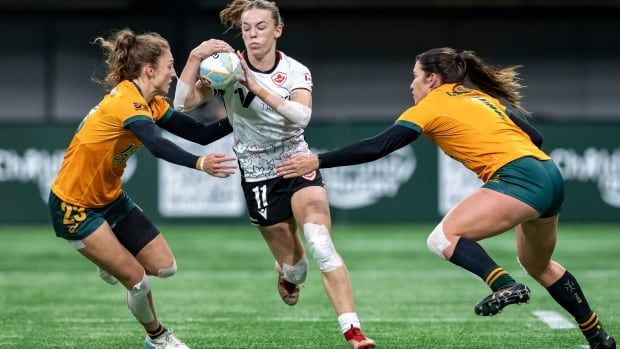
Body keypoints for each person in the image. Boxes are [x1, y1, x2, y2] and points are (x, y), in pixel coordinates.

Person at [276, 47, 616, 349]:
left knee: (442, 237)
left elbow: (379, 146)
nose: (412, 85)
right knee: (539, 265)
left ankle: (505, 284)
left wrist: (318, 159)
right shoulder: (481, 98)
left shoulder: (431, 106)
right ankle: (598, 336)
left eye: (415, 77)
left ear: (433, 79)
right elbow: (536, 136)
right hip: (550, 174)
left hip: (520, 178)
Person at [173, 1, 375, 348]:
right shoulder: (225, 68)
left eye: (261, 27)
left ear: (277, 30)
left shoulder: (295, 71)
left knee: (321, 244)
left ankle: (353, 332)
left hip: (295, 161)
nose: (252, 35)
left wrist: (253, 84)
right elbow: (181, 103)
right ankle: (287, 274)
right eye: (247, 28)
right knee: (297, 268)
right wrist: (194, 59)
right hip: (256, 173)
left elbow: (301, 117)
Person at [48, 28, 237, 349]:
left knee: (166, 268)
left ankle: (107, 259)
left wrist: (245, 113)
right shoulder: (125, 100)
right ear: (150, 69)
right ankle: (158, 338)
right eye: (170, 65)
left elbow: (202, 134)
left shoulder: (152, 103)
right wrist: (199, 164)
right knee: (138, 281)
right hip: (74, 206)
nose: (174, 73)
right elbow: (157, 145)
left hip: (110, 199)